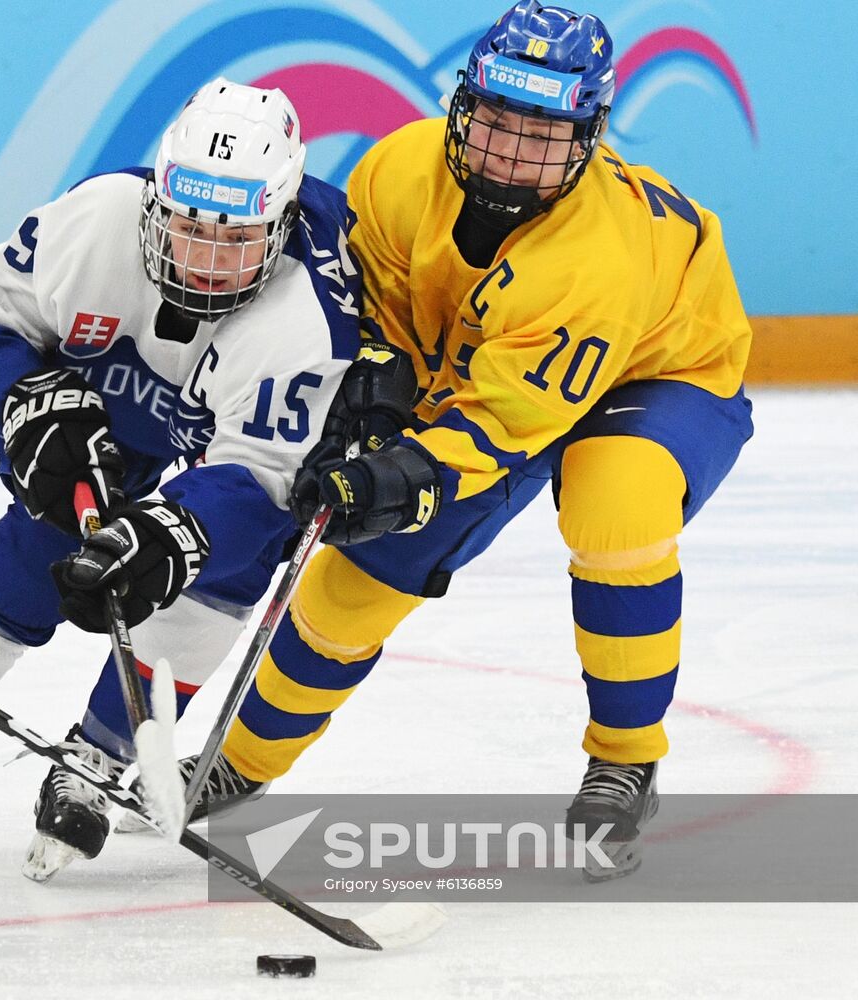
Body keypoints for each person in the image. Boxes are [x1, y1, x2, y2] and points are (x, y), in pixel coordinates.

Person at [205, 1, 754, 881]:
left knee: (617, 509)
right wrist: (373, 396)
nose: (506, 151)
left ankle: (623, 757)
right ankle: (239, 762)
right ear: (465, 103)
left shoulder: (595, 259)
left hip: (656, 374)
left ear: (588, 136)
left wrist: (400, 471)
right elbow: (372, 300)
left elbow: (503, 425)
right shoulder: (399, 167)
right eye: (496, 118)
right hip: (483, 370)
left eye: (540, 133)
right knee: (356, 581)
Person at [0, 77, 363, 880]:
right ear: (155, 200)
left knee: (221, 568)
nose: (204, 260)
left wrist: (172, 534)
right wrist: (23, 409)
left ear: (276, 225)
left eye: (233, 239)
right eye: (186, 227)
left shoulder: (305, 317)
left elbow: (263, 477)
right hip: (120, 394)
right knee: (37, 544)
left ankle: (95, 759)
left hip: (232, 441)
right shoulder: (96, 219)